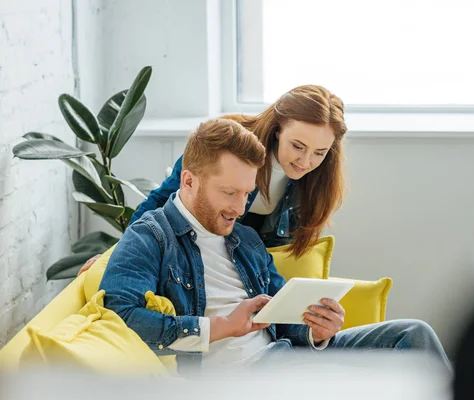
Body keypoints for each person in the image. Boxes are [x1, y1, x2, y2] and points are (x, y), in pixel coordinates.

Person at [99, 118, 451, 373]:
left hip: (286, 359)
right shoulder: (151, 236)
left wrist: (317, 332)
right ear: (189, 180)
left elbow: (284, 321)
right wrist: (220, 327)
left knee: (413, 335)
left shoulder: (246, 240)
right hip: (246, 375)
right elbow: (120, 319)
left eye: (247, 193)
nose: (240, 208)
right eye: (228, 192)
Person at [79, 84, 346, 275]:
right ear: (277, 129)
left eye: (319, 153)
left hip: (250, 269)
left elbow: (287, 252)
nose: (305, 161)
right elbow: (162, 200)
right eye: (298, 146)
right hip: (195, 254)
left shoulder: (317, 177)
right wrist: (115, 255)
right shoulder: (227, 142)